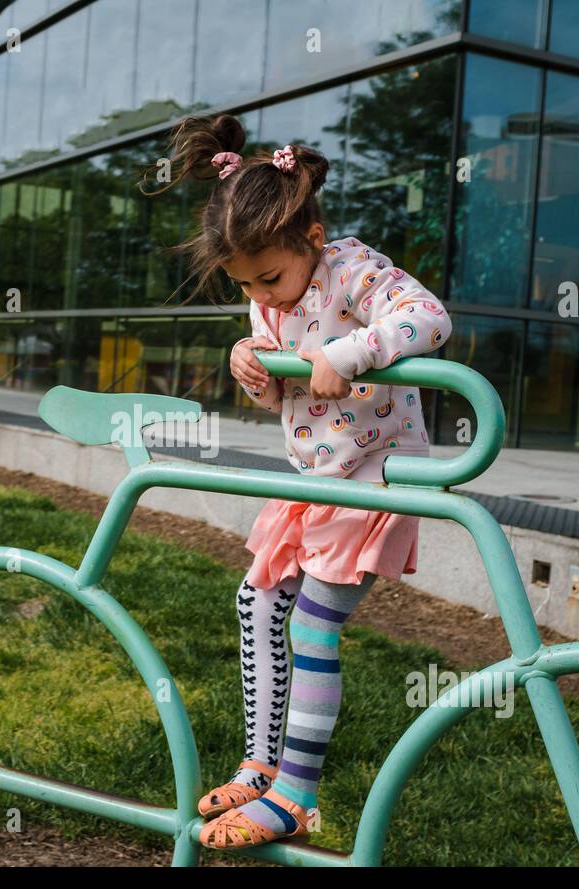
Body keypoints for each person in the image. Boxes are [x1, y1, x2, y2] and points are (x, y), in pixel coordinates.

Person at [141, 113, 453, 849]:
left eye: (270, 279)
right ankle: (259, 767)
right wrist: (248, 360)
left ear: (311, 239)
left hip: (371, 478)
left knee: (313, 627)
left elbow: (429, 318)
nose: (266, 298)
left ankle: (297, 797)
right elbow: (284, 388)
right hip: (315, 477)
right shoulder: (269, 297)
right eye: (246, 286)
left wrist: (355, 351)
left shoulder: (352, 268)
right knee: (256, 600)